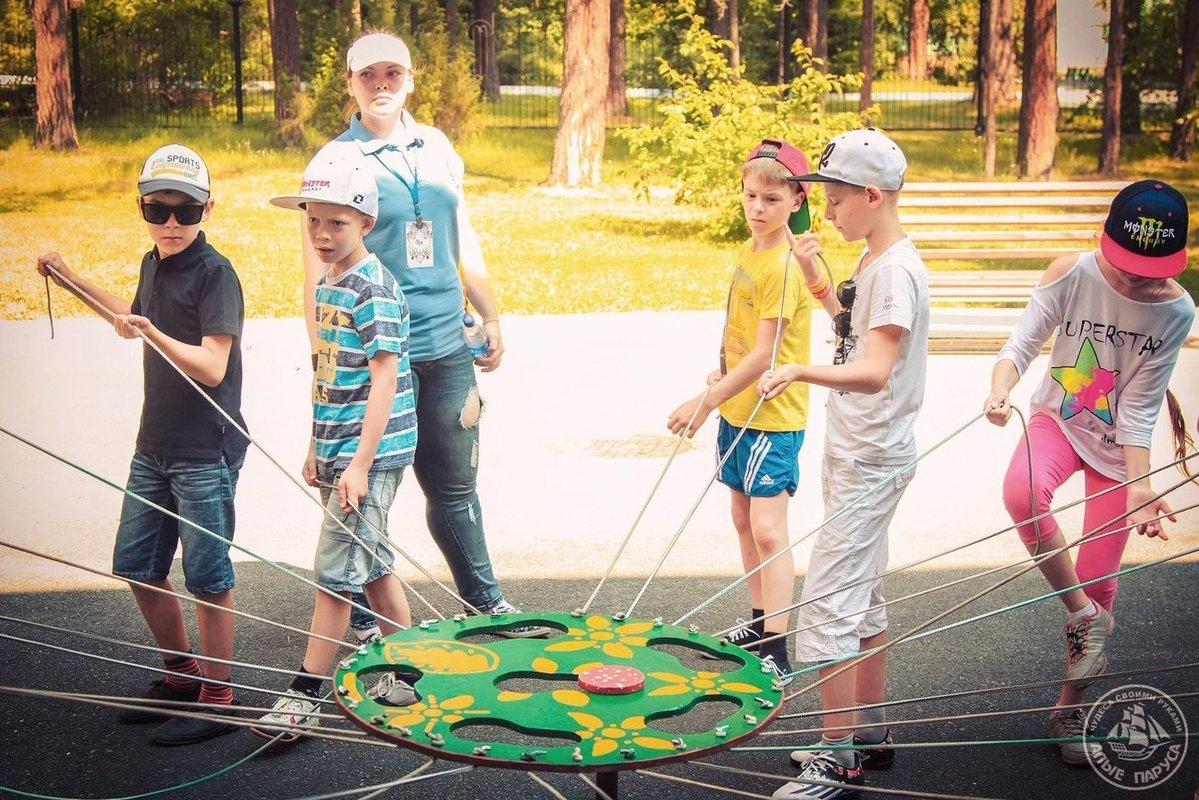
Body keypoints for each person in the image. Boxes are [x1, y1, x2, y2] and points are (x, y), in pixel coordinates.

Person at [302, 30, 533, 629]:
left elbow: (462, 232)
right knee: (364, 483)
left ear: (410, 78)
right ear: (349, 83)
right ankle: (355, 607)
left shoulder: (436, 146)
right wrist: (323, 355)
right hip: (378, 352)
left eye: (393, 74)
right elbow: (317, 268)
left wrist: (490, 312)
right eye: (367, 75)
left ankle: (485, 603)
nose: (381, 85)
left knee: (454, 488)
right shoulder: (336, 159)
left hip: (447, 342)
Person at [36, 144, 248, 746]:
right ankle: (181, 676)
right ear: (142, 209)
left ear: (208, 209)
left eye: (186, 211)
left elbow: (211, 366)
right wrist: (71, 277)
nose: (173, 224)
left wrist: (154, 333)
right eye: (158, 211)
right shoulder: (153, 263)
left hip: (206, 448)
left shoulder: (216, 273)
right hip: (154, 442)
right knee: (136, 565)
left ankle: (219, 694)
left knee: (208, 576)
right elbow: (128, 321)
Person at [982, 179, 1195, 766]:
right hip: (1058, 417)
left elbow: (1141, 407)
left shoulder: (1176, 310)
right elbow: (1021, 344)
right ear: (1104, 239)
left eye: (1148, 271)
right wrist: (1000, 390)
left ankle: (1071, 708)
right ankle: (1078, 614)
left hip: (1114, 448)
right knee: (1021, 493)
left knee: (1101, 584)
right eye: (1125, 267)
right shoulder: (1071, 272)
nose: (1132, 280)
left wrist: (1140, 489)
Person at [758, 128, 929, 799]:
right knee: (863, 597)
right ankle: (867, 732)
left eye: (834, 197)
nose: (824, 210)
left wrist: (798, 370)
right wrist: (817, 282)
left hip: (869, 458)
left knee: (828, 604)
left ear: (871, 194)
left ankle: (836, 759)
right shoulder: (877, 261)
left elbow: (876, 370)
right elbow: (852, 335)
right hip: (861, 453)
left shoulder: (892, 271)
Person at [252, 160, 418, 741]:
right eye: (314, 223)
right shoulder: (330, 281)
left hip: (369, 456)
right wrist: (317, 446)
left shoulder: (372, 288)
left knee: (333, 575)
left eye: (336, 225)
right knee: (370, 567)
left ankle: (303, 697)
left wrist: (360, 464)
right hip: (340, 450)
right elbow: (330, 373)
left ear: (365, 222)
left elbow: (384, 379)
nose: (322, 235)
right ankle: (413, 673)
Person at [667, 139, 836, 681]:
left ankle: (778, 644)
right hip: (738, 406)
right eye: (750, 196)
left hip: (773, 414)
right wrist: (718, 371)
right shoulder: (750, 249)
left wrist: (704, 401)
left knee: (768, 527)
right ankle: (760, 621)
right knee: (742, 519)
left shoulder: (785, 266)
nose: (757, 207)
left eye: (769, 198)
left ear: (795, 201)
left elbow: (766, 353)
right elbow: (734, 329)